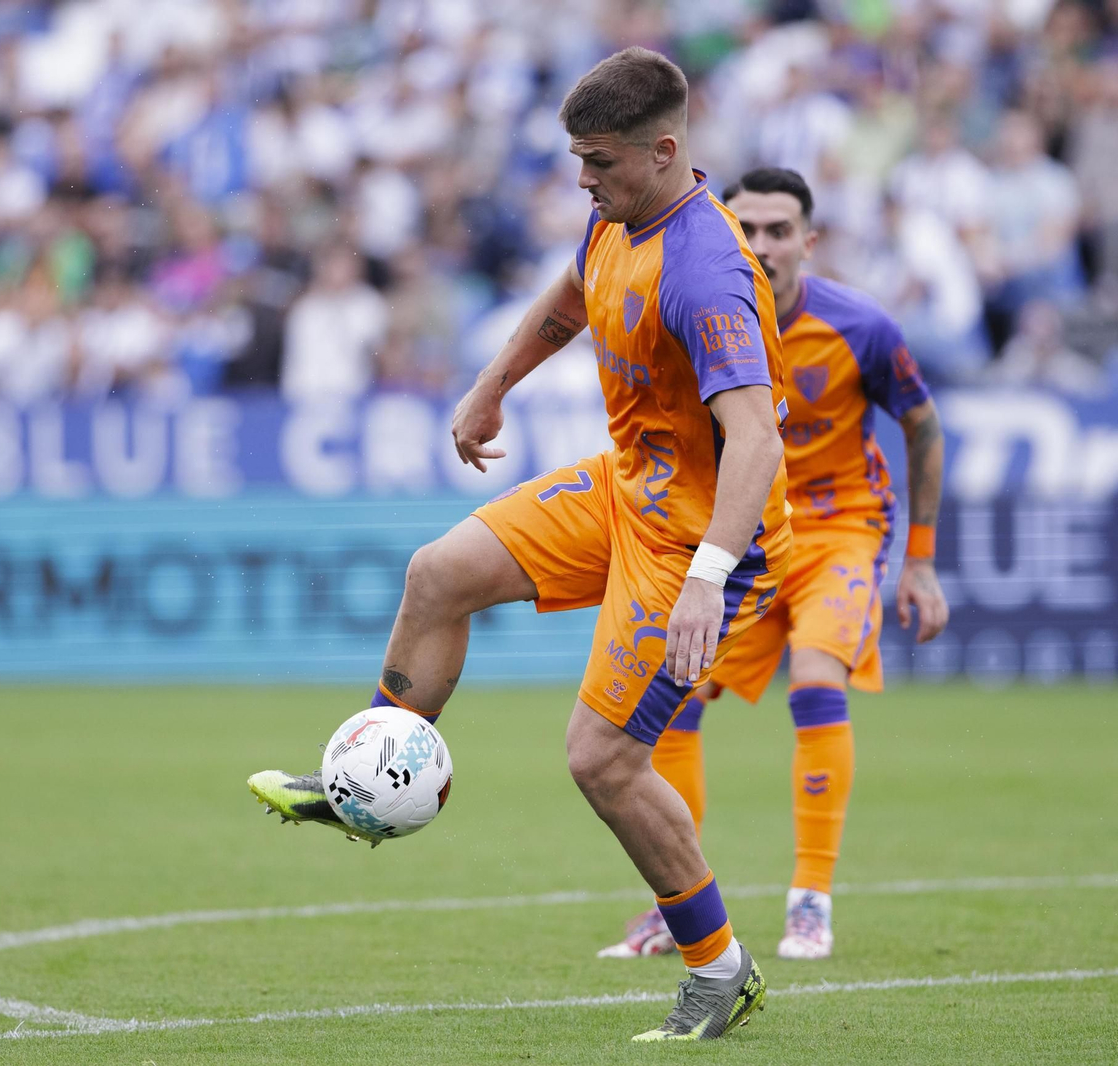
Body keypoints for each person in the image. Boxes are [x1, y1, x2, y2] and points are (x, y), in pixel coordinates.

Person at [248, 49, 789, 1042]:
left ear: (664, 151)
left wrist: (708, 578)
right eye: (577, 160)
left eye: (599, 162)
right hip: (631, 488)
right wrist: (493, 382)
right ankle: (370, 775)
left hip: (697, 539)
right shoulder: (620, 215)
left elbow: (755, 439)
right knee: (437, 572)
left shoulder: (707, 269)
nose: (582, 179)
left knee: (603, 760)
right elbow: (574, 294)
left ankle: (719, 968)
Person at [598, 168, 949, 963]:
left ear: (808, 241)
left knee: (818, 682)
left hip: (840, 533)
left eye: (778, 231)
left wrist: (919, 563)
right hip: (747, 539)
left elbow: (925, 428)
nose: (762, 246)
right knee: (673, 701)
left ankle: (810, 902)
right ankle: (669, 909)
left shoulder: (860, 326)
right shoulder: (702, 307)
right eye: (746, 230)